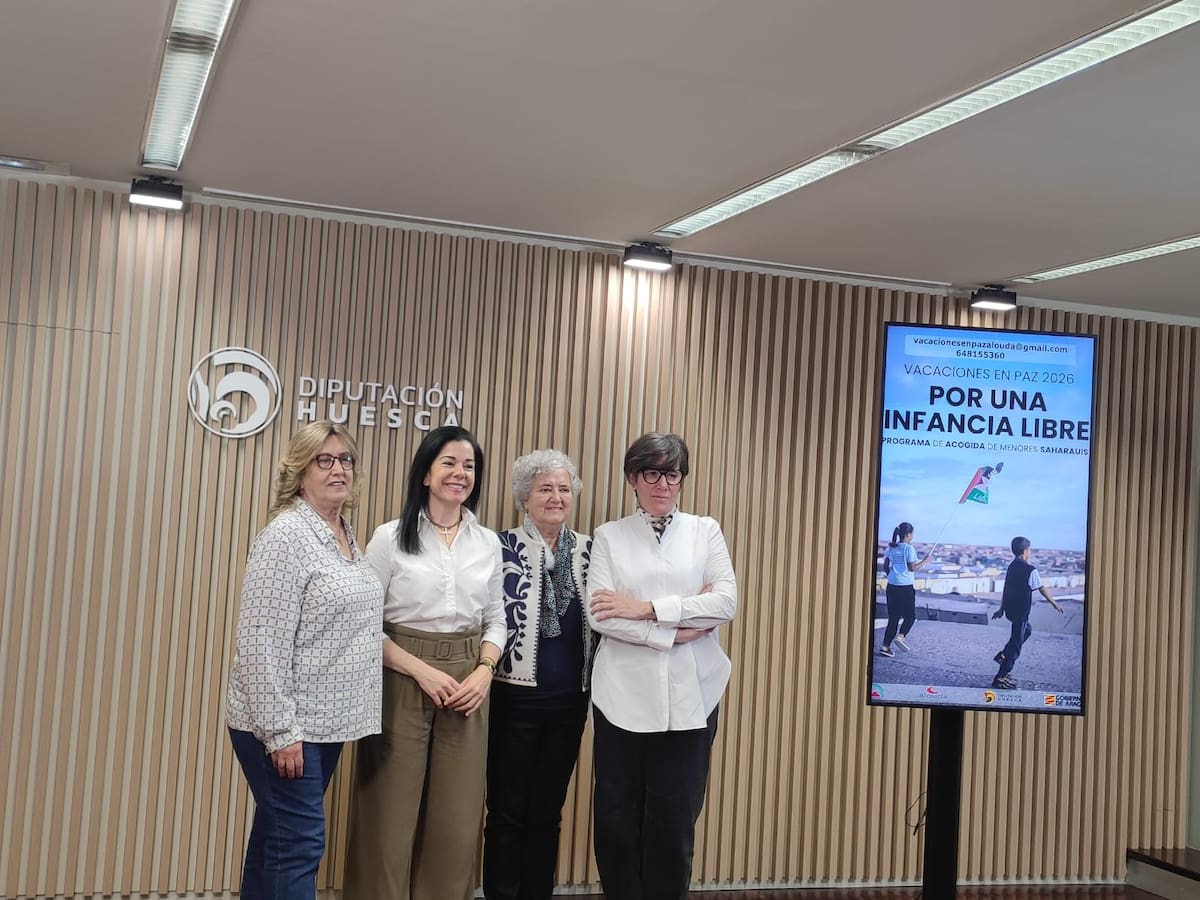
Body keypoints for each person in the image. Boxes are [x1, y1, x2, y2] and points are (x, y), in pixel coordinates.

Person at [344, 425, 505, 900]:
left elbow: (497, 619)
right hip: (400, 676)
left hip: (468, 683)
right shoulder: (389, 538)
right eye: (450, 463)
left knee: (456, 819)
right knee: (388, 816)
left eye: (470, 466)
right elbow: (363, 626)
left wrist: (484, 671)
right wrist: (420, 669)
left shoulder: (487, 543)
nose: (461, 474)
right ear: (426, 474)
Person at [225, 421, 383, 900]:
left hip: (324, 722)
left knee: (279, 839)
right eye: (325, 460)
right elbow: (259, 641)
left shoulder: (343, 532)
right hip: (285, 727)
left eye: (346, 460)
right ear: (300, 472)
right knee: (300, 841)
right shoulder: (286, 536)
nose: (339, 469)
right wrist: (280, 732)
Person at [586, 432, 737, 900]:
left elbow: (726, 601)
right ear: (633, 478)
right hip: (621, 697)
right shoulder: (610, 536)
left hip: (693, 695)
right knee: (616, 818)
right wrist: (677, 628)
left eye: (672, 474)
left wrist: (646, 609)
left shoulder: (704, 530)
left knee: (674, 820)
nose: (663, 484)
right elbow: (601, 614)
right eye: (651, 473)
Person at [483, 449, 594, 900]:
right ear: (523, 498)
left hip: (571, 702)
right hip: (513, 699)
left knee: (548, 811)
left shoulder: (591, 550)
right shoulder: (498, 546)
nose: (555, 497)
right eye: (544, 488)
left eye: (563, 489)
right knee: (506, 811)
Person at [991, 536, 1064, 689]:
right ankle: (1001, 677)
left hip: (1011, 610)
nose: (1030, 552)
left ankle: (1003, 654)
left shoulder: (1012, 566)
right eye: (1029, 549)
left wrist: (1002, 609)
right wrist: (1054, 603)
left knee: (1027, 631)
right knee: (1016, 646)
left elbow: (1006, 588)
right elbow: (1042, 588)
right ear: (1025, 551)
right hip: (1021, 613)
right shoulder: (1030, 570)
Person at [879, 521, 930, 658]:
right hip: (905, 587)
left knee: (893, 618)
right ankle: (901, 636)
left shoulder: (892, 547)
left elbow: (886, 564)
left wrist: (891, 575)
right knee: (910, 616)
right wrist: (925, 561)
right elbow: (912, 568)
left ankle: (885, 646)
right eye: (912, 533)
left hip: (892, 586)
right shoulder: (909, 549)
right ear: (908, 534)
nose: (913, 535)